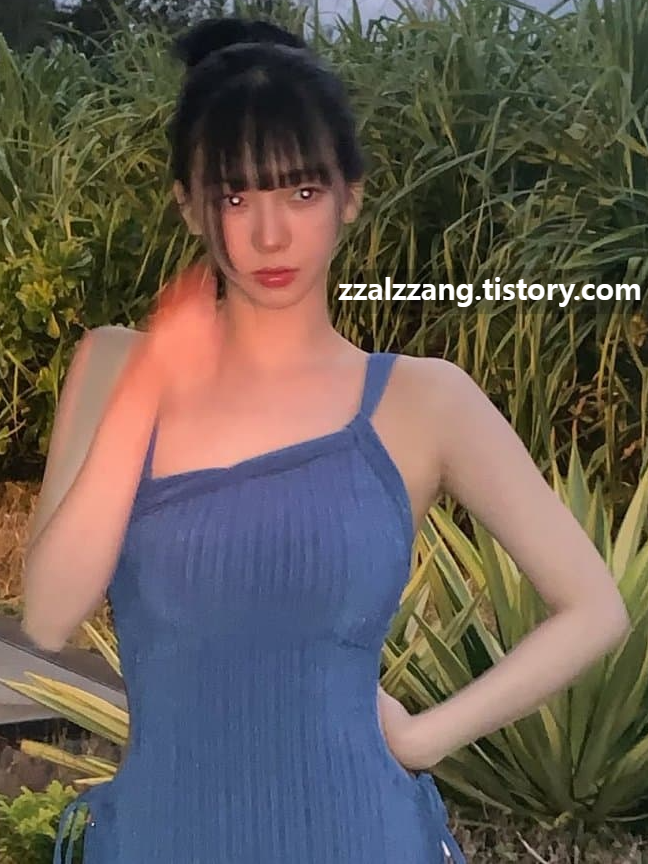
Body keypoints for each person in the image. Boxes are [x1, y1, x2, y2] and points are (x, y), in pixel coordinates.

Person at [21, 15, 630, 864]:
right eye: (236, 197)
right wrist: (148, 389)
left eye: (302, 192)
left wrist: (425, 736)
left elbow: (596, 608)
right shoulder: (115, 365)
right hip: (165, 836)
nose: (270, 235)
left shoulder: (422, 401)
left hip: (360, 833)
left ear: (351, 196)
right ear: (189, 205)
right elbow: (49, 617)